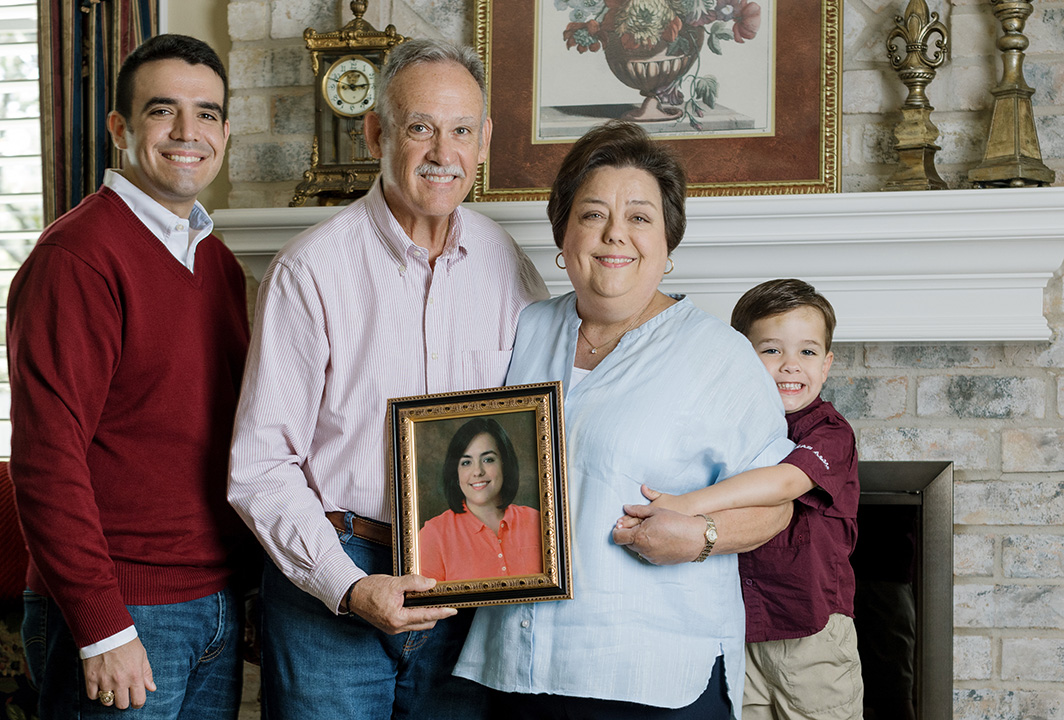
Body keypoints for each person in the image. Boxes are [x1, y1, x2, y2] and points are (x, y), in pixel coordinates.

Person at [228, 38, 548, 720]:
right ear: (376, 131)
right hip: (338, 568)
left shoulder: (507, 265)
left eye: (461, 130)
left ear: (484, 139)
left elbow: (539, 423)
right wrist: (346, 586)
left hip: (470, 579)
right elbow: (261, 466)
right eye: (420, 127)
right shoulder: (309, 271)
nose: (443, 151)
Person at [453, 120, 795, 719]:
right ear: (563, 234)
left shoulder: (720, 356)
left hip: (649, 672)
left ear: (668, 243)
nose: (615, 234)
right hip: (516, 665)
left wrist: (703, 536)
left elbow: (777, 503)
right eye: (592, 214)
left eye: (639, 217)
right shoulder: (525, 330)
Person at [7, 34, 254, 719]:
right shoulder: (80, 257)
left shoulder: (216, 264)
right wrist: (102, 625)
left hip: (212, 601)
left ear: (226, 132)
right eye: (161, 111)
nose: (187, 132)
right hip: (124, 607)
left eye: (206, 114)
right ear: (119, 128)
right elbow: (46, 459)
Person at [642, 279, 863, 720]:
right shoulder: (729, 427)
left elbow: (783, 483)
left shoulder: (830, 432)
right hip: (741, 627)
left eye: (807, 352)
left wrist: (686, 505)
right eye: (771, 350)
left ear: (826, 364)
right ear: (740, 359)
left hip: (811, 629)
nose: (790, 366)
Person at [419, 417, 543, 582]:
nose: (477, 471)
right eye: (466, 462)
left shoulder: (538, 521)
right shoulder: (434, 534)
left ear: (504, 464)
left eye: (488, 460)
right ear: (455, 473)